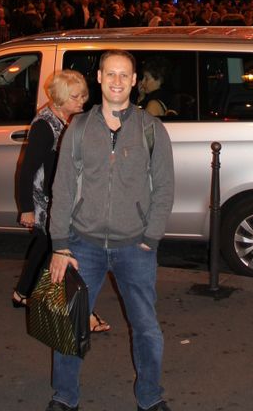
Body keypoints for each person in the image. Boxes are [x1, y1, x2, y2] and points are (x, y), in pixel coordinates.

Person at [47, 49, 175, 411]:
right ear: (99, 78)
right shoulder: (79, 127)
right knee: (70, 323)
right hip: (83, 243)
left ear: (134, 81)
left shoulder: (151, 129)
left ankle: (150, 396)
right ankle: (64, 396)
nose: (117, 81)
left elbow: (165, 186)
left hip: (135, 247)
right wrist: (60, 244)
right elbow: (63, 186)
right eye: (110, 74)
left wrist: (151, 235)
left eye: (124, 75)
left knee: (146, 327)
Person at [12, 70, 110, 334]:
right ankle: (77, 311)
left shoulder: (64, 119)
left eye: (83, 95)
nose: (82, 101)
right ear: (58, 99)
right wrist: (27, 209)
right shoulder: (45, 126)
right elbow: (27, 169)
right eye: (75, 97)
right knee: (61, 250)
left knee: (45, 248)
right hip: (47, 201)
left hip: (58, 196)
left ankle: (24, 294)